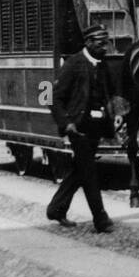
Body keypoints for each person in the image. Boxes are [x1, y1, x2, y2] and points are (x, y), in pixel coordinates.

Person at [45, 24, 113, 233]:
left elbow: (107, 95)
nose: (105, 48)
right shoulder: (74, 64)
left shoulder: (102, 65)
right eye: (101, 43)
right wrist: (66, 123)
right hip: (78, 128)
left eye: (106, 43)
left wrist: (114, 117)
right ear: (89, 42)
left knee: (80, 170)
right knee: (90, 172)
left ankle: (56, 208)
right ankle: (100, 219)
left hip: (96, 126)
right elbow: (52, 97)